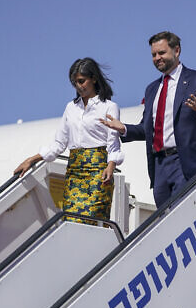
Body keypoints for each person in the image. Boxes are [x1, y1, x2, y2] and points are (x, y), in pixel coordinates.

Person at [101, 31, 196, 208]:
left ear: (177, 50)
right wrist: (124, 128)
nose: (157, 58)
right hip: (159, 166)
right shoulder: (152, 90)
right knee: (164, 221)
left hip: (186, 162)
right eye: (154, 55)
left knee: (184, 214)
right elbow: (147, 129)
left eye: (162, 53)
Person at [14, 58, 124, 222]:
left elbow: (113, 142)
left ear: (93, 78)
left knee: (92, 219)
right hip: (75, 171)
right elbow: (59, 144)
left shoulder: (108, 106)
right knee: (72, 219)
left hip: (98, 170)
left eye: (81, 81)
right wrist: (32, 159)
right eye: (75, 83)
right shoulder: (70, 108)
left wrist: (111, 165)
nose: (79, 86)